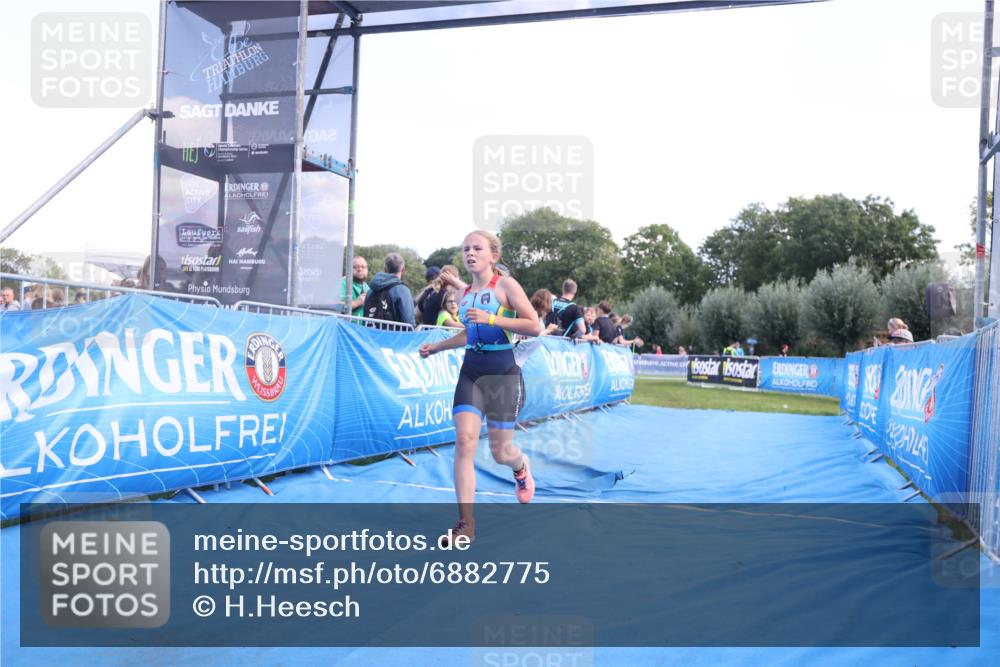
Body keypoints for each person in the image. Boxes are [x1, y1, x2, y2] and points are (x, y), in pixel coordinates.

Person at [419, 230, 541, 545]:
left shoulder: (506, 286)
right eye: (466, 249)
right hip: (471, 371)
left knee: (501, 452)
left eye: (477, 248)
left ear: (493, 256)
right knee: (464, 441)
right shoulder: (465, 294)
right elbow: (469, 335)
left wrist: (493, 320)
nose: (470, 253)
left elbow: (534, 326)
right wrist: (438, 347)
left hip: (502, 374)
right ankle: (466, 524)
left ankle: (521, 466)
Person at [364, 253, 415, 327]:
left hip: (370, 336)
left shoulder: (370, 290)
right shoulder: (402, 290)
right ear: (403, 270)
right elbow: (408, 321)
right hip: (393, 337)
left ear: (385, 269)